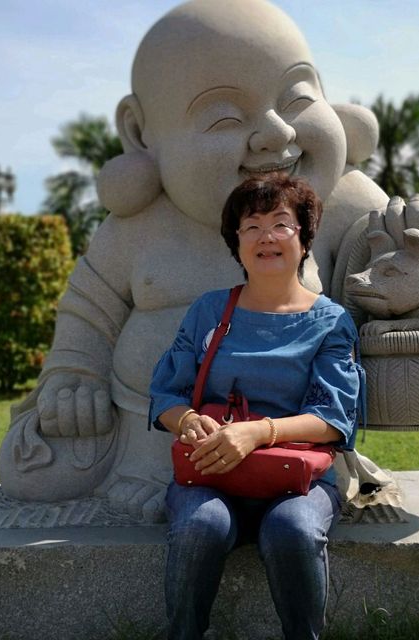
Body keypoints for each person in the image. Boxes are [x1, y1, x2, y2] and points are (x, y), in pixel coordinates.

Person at [149, 173, 364, 640]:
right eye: (252, 226)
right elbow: (166, 393)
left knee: (294, 531)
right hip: (210, 474)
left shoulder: (331, 321)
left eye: (281, 223)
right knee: (200, 526)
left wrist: (256, 433)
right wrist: (186, 419)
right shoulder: (208, 311)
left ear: (304, 239)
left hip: (297, 479)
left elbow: (333, 417)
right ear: (237, 243)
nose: (267, 236)